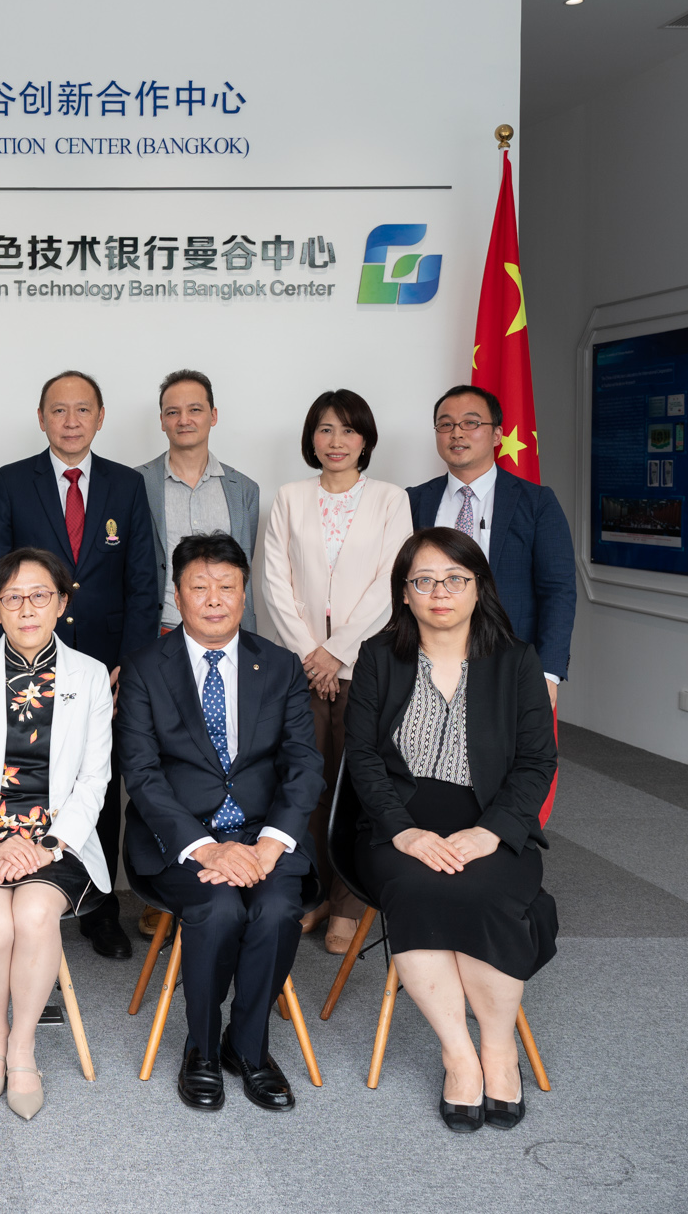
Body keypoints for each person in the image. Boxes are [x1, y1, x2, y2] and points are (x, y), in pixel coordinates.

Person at [344, 527, 559, 1133]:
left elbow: (537, 762)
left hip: (490, 823)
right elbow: (361, 757)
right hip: (398, 826)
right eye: (424, 580)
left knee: (486, 892)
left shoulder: (517, 661)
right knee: (416, 889)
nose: (441, 591)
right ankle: (457, 1054)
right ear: (405, 593)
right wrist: (403, 833)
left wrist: (493, 832)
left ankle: (497, 1048)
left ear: (478, 587)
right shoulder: (378, 657)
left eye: (455, 578)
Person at [117, 532, 320, 1114]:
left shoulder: (277, 665)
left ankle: (248, 1047)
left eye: (227, 587)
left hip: (264, 837)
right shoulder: (145, 669)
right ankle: (202, 1048)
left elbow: (304, 763)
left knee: (279, 908)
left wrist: (271, 844)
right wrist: (206, 849)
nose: (213, 599)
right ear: (176, 595)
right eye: (199, 587)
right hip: (179, 840)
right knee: (219, 907)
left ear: (244, 593)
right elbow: (143, 773)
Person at [0, 548, 114, 1119]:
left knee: (33, 916)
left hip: (57, 838)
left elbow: (94, 779)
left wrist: (46, 845)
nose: (27, 608)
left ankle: (24, 1046)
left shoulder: (88, 675)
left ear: (62, 602)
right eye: (12, 598)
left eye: (40, 595)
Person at [0, 370, 156, 960]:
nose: (72, 420)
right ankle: (14, 880)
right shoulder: (10, 482)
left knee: (96, 783)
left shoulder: (126, 485)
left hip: (101, 667)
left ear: (101, 417)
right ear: (42, 418)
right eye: (60, 410)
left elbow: (141, 580)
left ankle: (98, 906)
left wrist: (126, 663)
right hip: (27, 655)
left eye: (83, 410)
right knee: (22, 772)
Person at [258, 390, 413, 956]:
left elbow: (390, 584)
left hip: (366, 665)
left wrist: (337, 652)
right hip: (300, 668)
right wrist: (310, 653)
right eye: (325, 430)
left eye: (348, 431)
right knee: (304, 784)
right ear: (311, 438)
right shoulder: (290, 498)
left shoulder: (391, 500)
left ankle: (350, 902)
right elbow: (276, 582)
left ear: (365, 439)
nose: (336, 442)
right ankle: (313, 892)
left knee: (359, 785)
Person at [409, 384, 576, 716]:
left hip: (509, 659)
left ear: (497, 434)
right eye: (446, 424)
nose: (457, 433)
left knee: (504, 762)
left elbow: (557, 590)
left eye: (471, 423)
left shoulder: (536, 503)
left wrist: (548, 672)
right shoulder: (414, 500)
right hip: (424, 660)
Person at [136, 370, 263, 637]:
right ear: (161, 421)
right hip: (159, 632)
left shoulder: (244, 490)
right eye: (172, 412)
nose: (184, 420)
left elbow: (242, 570)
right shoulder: (135, 483)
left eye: (194, 409)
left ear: (213, 416)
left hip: (227, 635)